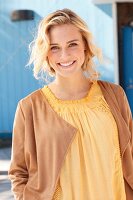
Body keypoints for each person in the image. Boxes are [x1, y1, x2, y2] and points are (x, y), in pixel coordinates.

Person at [8, 8, 133, 200]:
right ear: (45, 52)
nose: (64, 55)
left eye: (72, 44)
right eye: (54, 47)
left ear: (85, 45)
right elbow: (19, 173)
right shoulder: (30, 107)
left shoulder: (114, 95)